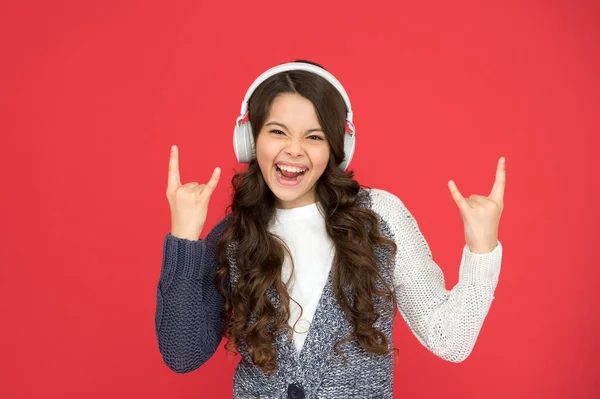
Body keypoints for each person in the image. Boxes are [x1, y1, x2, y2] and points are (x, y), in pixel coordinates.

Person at [155, 60, 505, 399]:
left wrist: (482, 250)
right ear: (250, 140)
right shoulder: (234, 234)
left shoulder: (380, 217)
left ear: (337, 148)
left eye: (314, 136)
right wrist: (184, 238)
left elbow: (449, 339)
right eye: (277, 132)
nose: (294, 149)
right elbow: (182, 354)